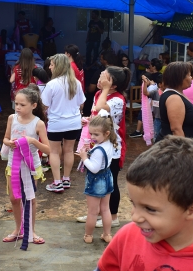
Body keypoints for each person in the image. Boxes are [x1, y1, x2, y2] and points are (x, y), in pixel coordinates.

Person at [97, 136, 193, 271]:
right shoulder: (127, 236)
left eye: (149, 209)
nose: (135, 217)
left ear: (192, 210)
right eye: (134, 204)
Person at [77, 66, 131, 228]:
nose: (99, 78)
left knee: (110, 182)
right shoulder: (100, 94)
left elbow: (101, 109)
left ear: (112, 84)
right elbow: (98, 115)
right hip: (98, 144)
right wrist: (88, 120)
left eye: (104, 77)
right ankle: (96, 212)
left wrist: (106, 89)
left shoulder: (117, 99)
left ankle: (113, 217)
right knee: (96, 180)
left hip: (112, 148)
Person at [2, 87, 49, 244]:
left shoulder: (38, 123)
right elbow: (6, 138)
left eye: (22, 104)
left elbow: (48, 149)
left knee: (30, 198)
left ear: (33, 105)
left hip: (31, 166)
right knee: (14, 198)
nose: (18, 107)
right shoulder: (11, 118)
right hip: (13, 163)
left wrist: (33, 141)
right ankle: (18, 228)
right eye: (16, 104)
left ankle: (31, 230)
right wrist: (9, 143)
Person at [41, 54, 85, 193]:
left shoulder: (51, 84)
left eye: (52, 64)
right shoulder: (75, 83)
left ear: (58, 66)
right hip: (73, 122)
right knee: (69, 150)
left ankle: (57, 182)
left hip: (56, 123)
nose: (49, 67)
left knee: (54, 152)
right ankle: (66, 179)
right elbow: (81, 103)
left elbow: (45, 104)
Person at [79, 113, 116, 244]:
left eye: (96, 135)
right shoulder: (109, 143)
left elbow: (94, 168)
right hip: (108, 176)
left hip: (96, 180)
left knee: (93, 212)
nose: (92, 137)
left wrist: (84, 157)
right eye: (91, 134)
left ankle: (88, 235)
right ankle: (107, 234)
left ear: (106, 133)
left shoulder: (99, 150)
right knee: (105, 209)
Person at [155, 62, 193, 141]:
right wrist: (184, 151)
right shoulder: (174, 98)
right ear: (179, 78)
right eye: (188, 75)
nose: (191, 77)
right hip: (175, 149)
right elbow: (176, 130)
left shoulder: (177, 94)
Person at [130, 58, 162, 138]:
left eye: (151, 65)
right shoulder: (156, 83)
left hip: (148, 105)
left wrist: (144, 83)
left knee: (143, 117)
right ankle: (146, 131)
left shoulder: (151, 87)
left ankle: (138, 131)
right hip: (152, 104)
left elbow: (145, 93)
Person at [143, 72, 163, 138]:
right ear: (160, 84)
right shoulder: (155, 92)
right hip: (157, 118)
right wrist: (145, 83)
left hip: (165, 119)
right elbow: (145, 93)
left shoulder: (168, 93)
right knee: (156, 135)